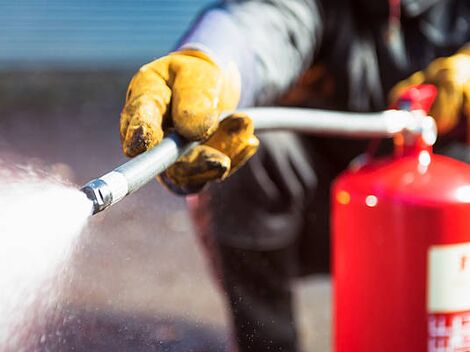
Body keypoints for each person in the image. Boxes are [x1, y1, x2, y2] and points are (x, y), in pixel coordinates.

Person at [119, 1, 470, 351]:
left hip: (453, 221)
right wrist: (208, 61)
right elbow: (262, 23)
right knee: (249, 154)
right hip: (328, 206)